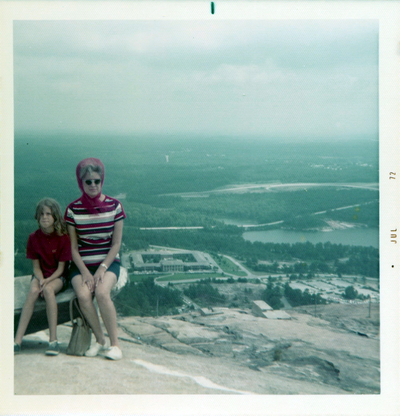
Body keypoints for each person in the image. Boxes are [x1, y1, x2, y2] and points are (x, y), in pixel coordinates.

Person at [65, 158, 126, 360]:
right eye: (88, 181)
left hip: (107, 262)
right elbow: (73, 247)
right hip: (81, 264)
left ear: (102, 181)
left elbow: (116, 244)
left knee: (101, 292)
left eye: (97, 181)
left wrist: (101, 268)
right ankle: (100, 341)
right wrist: (84, 272)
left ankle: (115, 344)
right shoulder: (73, 209)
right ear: (81, 183)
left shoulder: (114, 206)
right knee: (83, 295)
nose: (93, 185)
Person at [14, 198, 71, 356]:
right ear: (37, 217)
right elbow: (36, 267)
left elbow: (61, 269)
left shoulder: (63, 238)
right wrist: (40, 280)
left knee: (48, 291)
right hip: (41, 275)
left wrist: (47, 281)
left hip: (58, 277)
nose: (44, 217)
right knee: (32, 292)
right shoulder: (33, 238)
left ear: (55, 217)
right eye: (41, 214)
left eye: (48, 214)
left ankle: (53, 340)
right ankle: (17, 340)